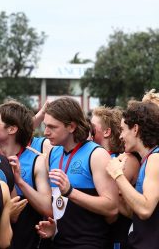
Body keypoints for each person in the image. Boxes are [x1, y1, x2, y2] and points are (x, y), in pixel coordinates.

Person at [37, 97, 118, 248]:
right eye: (45, 126)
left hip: (88, 243)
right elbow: (59, 205)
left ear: (71, 126)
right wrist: (54, 227)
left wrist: (71, 192)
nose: (46, 132)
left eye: (52, 127)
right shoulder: (52, 154)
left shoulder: (97, 155)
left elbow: (112, 208)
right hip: (57, 242)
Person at [0, 101, 52, 249]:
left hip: (26, 242)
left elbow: (47, 208)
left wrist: (19, 181)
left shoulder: (37, 160)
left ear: (12, 129)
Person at [106, 101, 159, 249]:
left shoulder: (155, 158)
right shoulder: (147, 159)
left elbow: (145, 210)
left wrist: (117, 174)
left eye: (123, 130)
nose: (120, 136)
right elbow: (134, 214)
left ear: (135, 129)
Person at [91, 106, 140, 249]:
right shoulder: (92, 157)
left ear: (106, 132)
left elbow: (113, 209)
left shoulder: (125, 159)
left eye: (92, 128)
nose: (89, 130)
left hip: (117, 234)